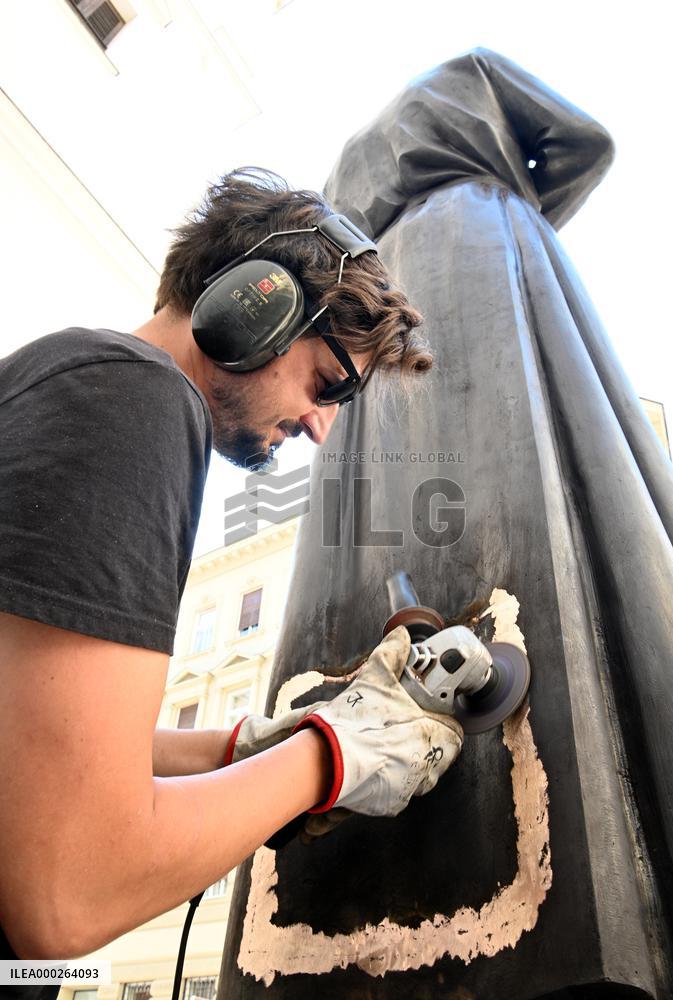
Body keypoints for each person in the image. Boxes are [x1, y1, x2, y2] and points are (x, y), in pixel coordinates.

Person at [0, 168, 463, 980]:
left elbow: (37, 752)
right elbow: (69, 891)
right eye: (328, 384)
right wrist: (338, 751)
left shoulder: (61, 381)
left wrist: (241, 748)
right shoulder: (130, 398)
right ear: (257, 303)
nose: (320, 429)